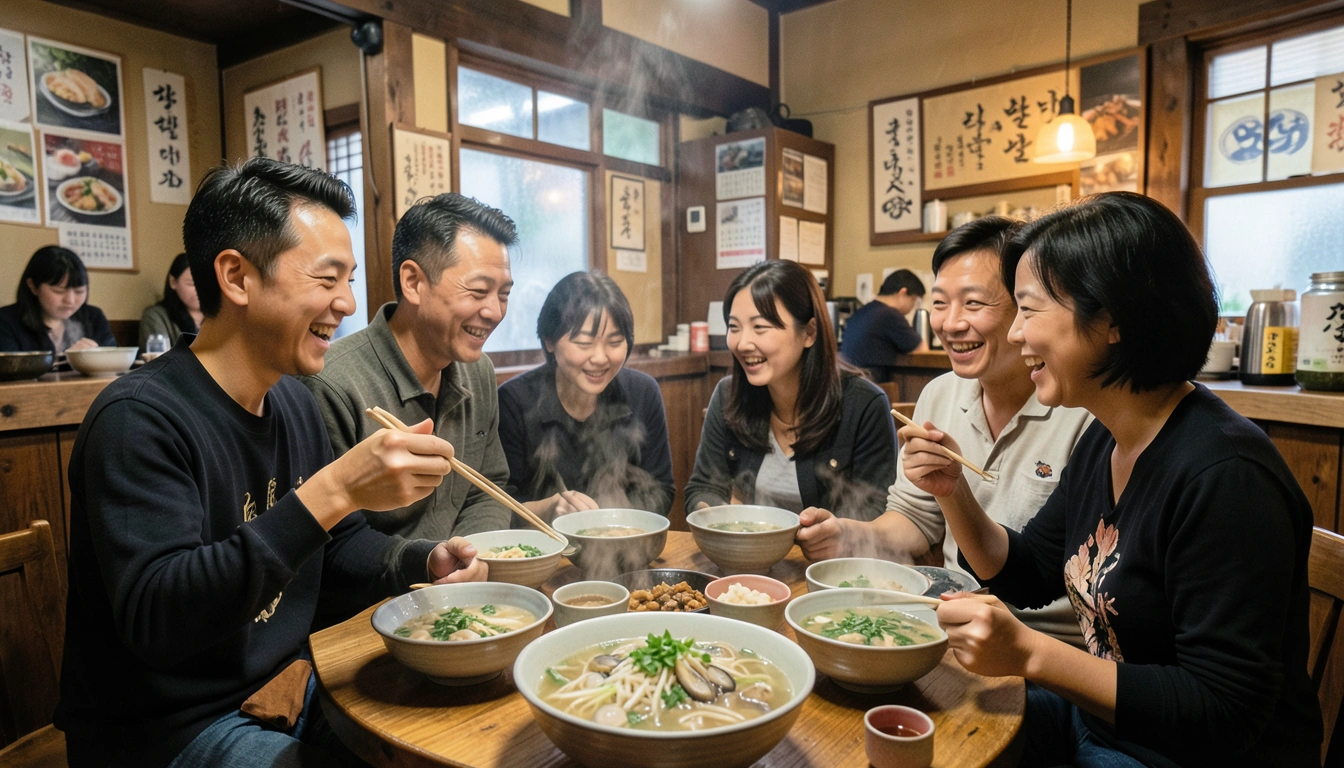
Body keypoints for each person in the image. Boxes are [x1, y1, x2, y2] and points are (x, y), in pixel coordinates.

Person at [55, 158, 486, 768]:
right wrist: (335, 489)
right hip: (167, 728)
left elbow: (336, 548)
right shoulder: (138, 419)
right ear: (236, 276)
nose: (347, 302)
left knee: (450, 737)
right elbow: (161, 619)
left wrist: (424, 560)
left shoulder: (292, 402)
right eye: (327, 278)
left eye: (349, 280)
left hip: (285, 684)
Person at [910, 193, 1321, 766]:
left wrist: (1029, 653)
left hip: (1181, 755)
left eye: (1029, 311)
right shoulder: (1107, 437)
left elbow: (1224, 709)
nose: (1016, 334)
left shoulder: (1227, 476)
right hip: (1102, 725)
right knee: (922, 720)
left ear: (1111, 320)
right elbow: (1027, 574)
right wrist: (952, 491)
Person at [795, 218, 1093, 644]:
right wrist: (847, 533)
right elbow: (916, 519)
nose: (950, 324)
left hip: (1051, 644)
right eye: (939, 303)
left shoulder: (1083, 409)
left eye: (973, 303)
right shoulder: (940, 394)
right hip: (949, 626)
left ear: (1025, 308)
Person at [301, 193, 516, 540]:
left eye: (503, 294)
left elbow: (488, 489)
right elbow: (335, 539)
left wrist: (470, 556)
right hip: (387, 576)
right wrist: (433, 562)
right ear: (413, 282)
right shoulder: (332, 384)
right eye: (478, 291)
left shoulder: (478, 372)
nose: (495, 311)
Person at [685, 259, 897, 519]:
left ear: (809, 332)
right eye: (734, 327)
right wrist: (719, 514)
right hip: (748, 544)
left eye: (760, 327)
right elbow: (702, 487)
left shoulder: (863, 404)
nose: (742, 343)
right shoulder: (728, 396)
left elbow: (875, 509)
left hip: (831, 548)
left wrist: (825, 532)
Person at [498, 272, 675, 519]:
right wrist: (549, 509)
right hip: (541, 542)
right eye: (584, 343)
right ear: (549, 341)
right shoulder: (515, 401)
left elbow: (662, 489)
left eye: (615, 342)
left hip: (621, 539)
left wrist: (607, 523)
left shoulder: (642, 392)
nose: (600, 358)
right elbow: (497, 508)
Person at [0, 246, 114, 354]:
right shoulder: (6, 321)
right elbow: (9, 366)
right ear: (33, 286)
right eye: (59, 291)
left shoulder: (93, 317)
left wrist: (98, 357)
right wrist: (70, 359)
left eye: (79, 291)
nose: (70, 300)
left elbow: (114, 359)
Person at [839, 268, 927, 382]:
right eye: (913, 300)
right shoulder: (889, 315)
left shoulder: (862, 312)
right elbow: (922, 349)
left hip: (850, 384)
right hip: (872, 385)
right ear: (903, 293)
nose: (913, 306)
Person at [139, 252, 203, 350]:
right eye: (191, 284)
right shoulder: (156, 316)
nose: (200, 290)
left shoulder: (220, 316)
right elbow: (158, 356)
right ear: (173, 281)